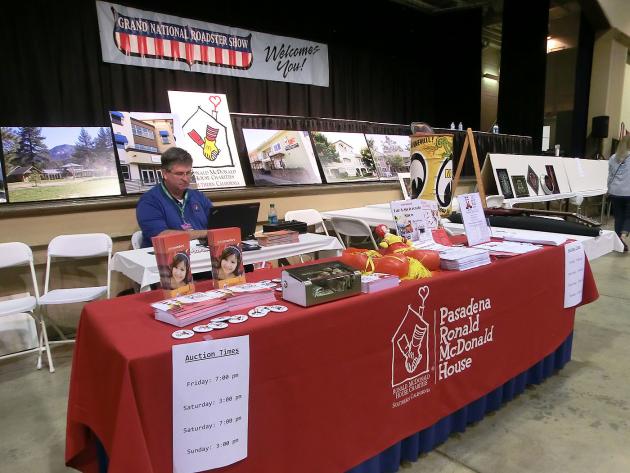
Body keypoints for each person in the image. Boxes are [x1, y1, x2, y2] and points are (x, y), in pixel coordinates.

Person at [136, 147, 212, 248]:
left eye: (188, 173)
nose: (185, 179)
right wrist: (206, 233)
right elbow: (161, 235)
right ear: (164, 174)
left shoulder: (199, 196)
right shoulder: (149, 201)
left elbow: (215, 224)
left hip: (202, 251)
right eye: (179, 174)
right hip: (164, 254)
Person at [607, 134, 630, 252]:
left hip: (615, 192)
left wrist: (608, 189)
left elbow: (610, 176)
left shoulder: (613, 157)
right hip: (628, 191)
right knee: (628, 216)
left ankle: (618, 243)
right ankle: (623, 236)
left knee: (619, 217)